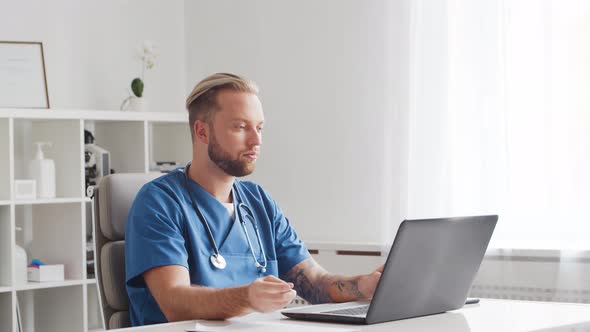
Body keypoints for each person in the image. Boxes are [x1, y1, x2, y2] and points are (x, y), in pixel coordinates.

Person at [125, 73, 384, 326]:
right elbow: (176, 302)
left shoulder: (258, 201)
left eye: (259, 128)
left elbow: (315, 282)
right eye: (240, 127)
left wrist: (364, 286)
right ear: (202, 132)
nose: (256, 140)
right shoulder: (159, 202)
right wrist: (247, 298)